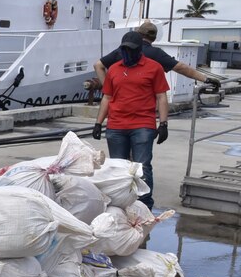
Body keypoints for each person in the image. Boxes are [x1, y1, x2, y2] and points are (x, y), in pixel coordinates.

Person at [92, 31, 169, 209]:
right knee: (118, 168)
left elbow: (161, 97)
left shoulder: (154, 68)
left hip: (143, 125)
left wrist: (163, 123)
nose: (128, 53)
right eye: (124, 49)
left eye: (131, 49)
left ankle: (144, 204)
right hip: (116, 125)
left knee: (142, 167)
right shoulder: (115, 70)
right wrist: (98, 123)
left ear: (140, 49)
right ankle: (121, 203)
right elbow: (107, 98)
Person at [94, 21, 216, 90]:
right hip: (143, 103)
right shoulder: (156, 53)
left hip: (119, 100)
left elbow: (98, 65)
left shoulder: (121, 50)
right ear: (154, 37)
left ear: (138, 33)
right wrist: (206, 79)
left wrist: (107, 89)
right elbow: (181, 68)